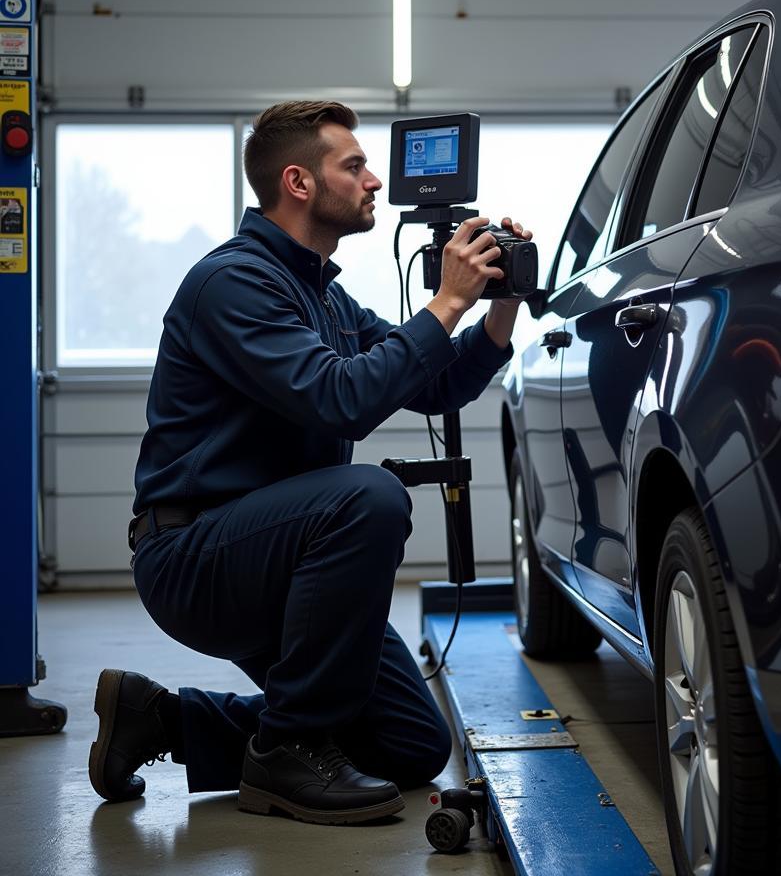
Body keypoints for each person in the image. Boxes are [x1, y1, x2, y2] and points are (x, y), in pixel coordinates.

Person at [88, 100, 532, 826]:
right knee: (371, 497)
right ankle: (288, 748)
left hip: (285, 555)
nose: (374, 182)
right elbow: (339, 402)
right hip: (196, 557)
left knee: (411, 743)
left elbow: (437, 382)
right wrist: (446, 302)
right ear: (298, 182)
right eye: (353, 166)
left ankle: (162, 721)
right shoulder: (234, 283)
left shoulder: (322, 294)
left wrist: (497, 305)